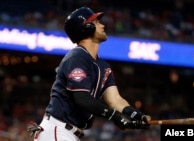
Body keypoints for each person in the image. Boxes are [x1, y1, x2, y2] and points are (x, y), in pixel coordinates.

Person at [27, 6, 151, 141]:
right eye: (97, 22)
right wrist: (115, 116)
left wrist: (135, 115)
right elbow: (82, 98)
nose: (102, 25)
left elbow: (114, 99)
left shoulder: (103, 66)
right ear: (87, 27)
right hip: (57, 129)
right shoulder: (77, 57)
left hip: (68, 133)